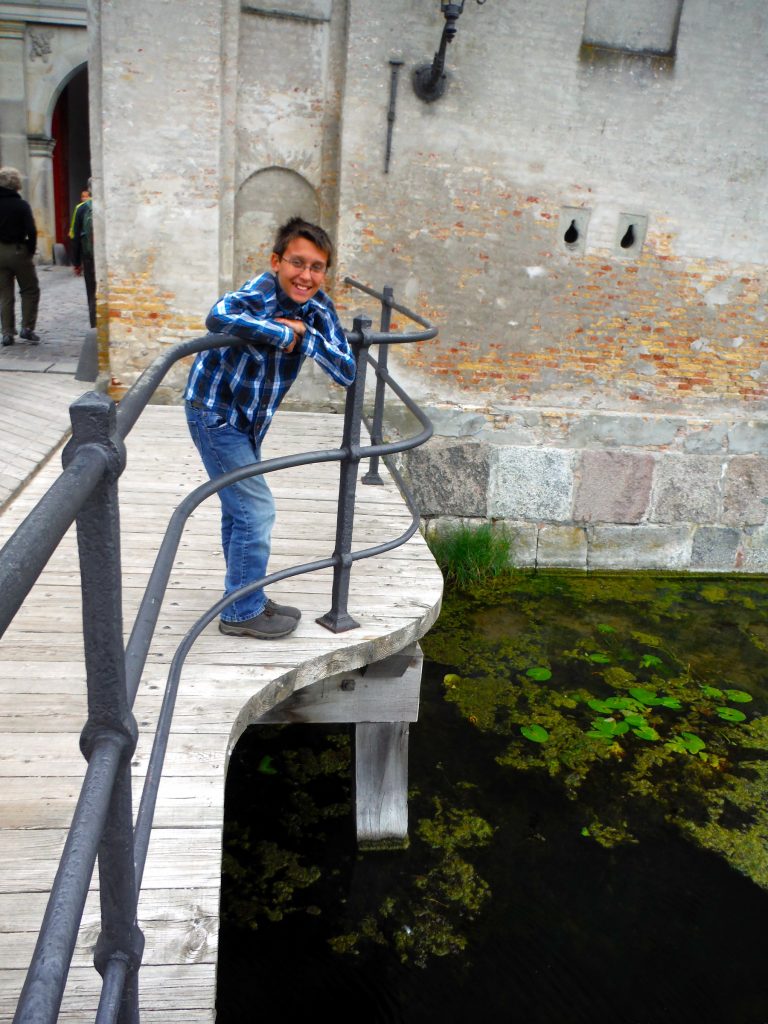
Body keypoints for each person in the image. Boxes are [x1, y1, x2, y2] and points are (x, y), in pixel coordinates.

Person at [185, 216, 356, 639]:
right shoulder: (258, 293)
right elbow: (219, 315)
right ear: (276, 261)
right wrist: (281, 335)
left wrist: (305, 336)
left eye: (317, 267)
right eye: (297, 263)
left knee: (238, 510)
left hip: (249, 421)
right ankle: (242, 612)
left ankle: (244, 596)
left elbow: (348, 370)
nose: (306, 275)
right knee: (255, 510)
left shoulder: (318, 308)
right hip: (214, 412)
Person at [0, 166, 40, 347]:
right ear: (16, 184)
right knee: (30, 289)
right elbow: (31, 231)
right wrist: (30, 251)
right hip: (18, 250)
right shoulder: (21, 205)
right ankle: (27, 327)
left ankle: (7, 333)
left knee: (5, 294)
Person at [71, 186, 96, 328]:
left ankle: (94, 326)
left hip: (89, 258)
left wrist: (76, 263)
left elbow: (75, 237)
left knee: (92, 293)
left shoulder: (81, 209)